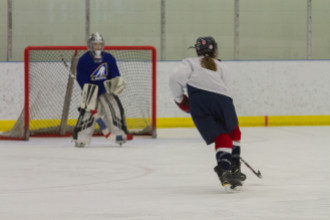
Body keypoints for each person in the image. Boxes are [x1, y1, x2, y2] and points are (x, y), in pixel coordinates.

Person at [169, 36, 246, 192]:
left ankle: (224, 171)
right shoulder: (221, 66)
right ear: (215, 49)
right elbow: (223, 86)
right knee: (233, 132)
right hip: (222, 101)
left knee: (221, 136)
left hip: (199, 102)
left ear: (197, 50)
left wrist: (180, 98)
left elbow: (174, 78)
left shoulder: (189, 62)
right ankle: (235, 168)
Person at [73, 32, 132, 147]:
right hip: (91, 92)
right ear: (90, 45)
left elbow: (115, 74)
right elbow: (81, 78)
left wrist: (116, 82)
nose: (98, 47)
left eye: (100, 44)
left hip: (106, 91)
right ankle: (81, 138)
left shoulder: (109, 58)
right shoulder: (83, 60)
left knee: (115, 111)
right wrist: (87, 89)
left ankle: (119, 134)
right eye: (95, 45)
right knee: (87, 115)